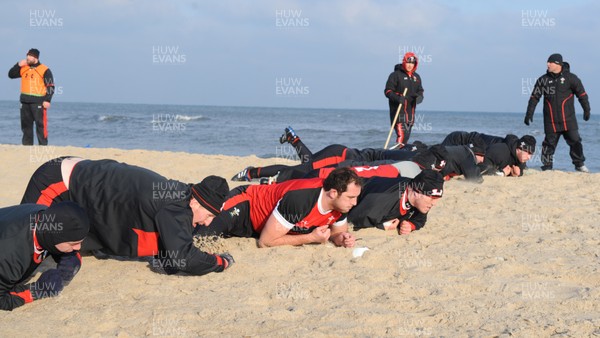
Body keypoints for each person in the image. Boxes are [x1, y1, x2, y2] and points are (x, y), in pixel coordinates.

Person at [21, 157, 233, 276]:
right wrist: (219, 262)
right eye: (208, 215)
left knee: (65, 250)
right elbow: (185, 257)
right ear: (195, 202)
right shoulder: (176, 208)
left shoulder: (183, 196)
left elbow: (173, 252)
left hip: (86, 190)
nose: (207, 222)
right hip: (58, 182)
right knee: (26, 246)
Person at [196, 167, 361, 248]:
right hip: (246, 205)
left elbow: (337, 233)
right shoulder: (301, 199)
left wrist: (342, 239)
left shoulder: (341, 207)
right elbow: (265, 242)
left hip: (260, 227)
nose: (354, 203)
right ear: (333, 193)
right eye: (351, 197)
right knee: (199, 236)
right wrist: (310, 238)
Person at [0, 201, 89, 311]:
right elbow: (1, 298)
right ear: (54, 238)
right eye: (73, 244)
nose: (78, 248)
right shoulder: (11, 256)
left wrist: (71, 257)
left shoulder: (45, 216)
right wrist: (38, 290)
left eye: (80, 242)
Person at [525, 53, 591, 172]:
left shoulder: (571, 78)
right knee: (548, 144)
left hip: (568, 120)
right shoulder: (543, 80)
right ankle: (547, 166)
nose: (547, 64)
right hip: (551, 120)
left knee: (575, 141)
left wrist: (587, 110)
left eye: (550, 62)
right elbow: (534, 97)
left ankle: (579, 164)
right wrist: (529, 113)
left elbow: (582, 95)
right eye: (547, 62)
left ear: (558, 64)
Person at [348, 169, 444, 235]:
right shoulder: (382, 201)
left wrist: (410, 225)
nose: (434, 203)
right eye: (432, 198)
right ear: (417, 192)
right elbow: (352, 220)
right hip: (350, 189)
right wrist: (382, 225)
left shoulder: (420, 198)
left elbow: (420, 219)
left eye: (437, 198)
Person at [8, 48, 55, 146]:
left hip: (38, 102)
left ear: (35, 57)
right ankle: (27, 148)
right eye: (27, 55)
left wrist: (48, 100)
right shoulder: (24, 68)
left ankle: (43, 147)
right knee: (26, 127)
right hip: (24, 102)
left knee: (41, 126)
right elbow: (10, 75)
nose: (27, 58)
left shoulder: (44, 69)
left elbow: (50, 86)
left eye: (30, 56)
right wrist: (18, 65)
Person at [384, 52, 424, 145]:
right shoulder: (395, 75)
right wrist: (398, 98)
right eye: (408, 62)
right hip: (398, 112)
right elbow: (388, 91)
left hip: (410, 114)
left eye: (412, 63)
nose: (410, 65)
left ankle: (400, 154)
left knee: (406, 138)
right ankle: (396, 155)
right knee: (401, 136)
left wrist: (419, 98)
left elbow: (420, 91)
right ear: (404, 62)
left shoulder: (416, 77)